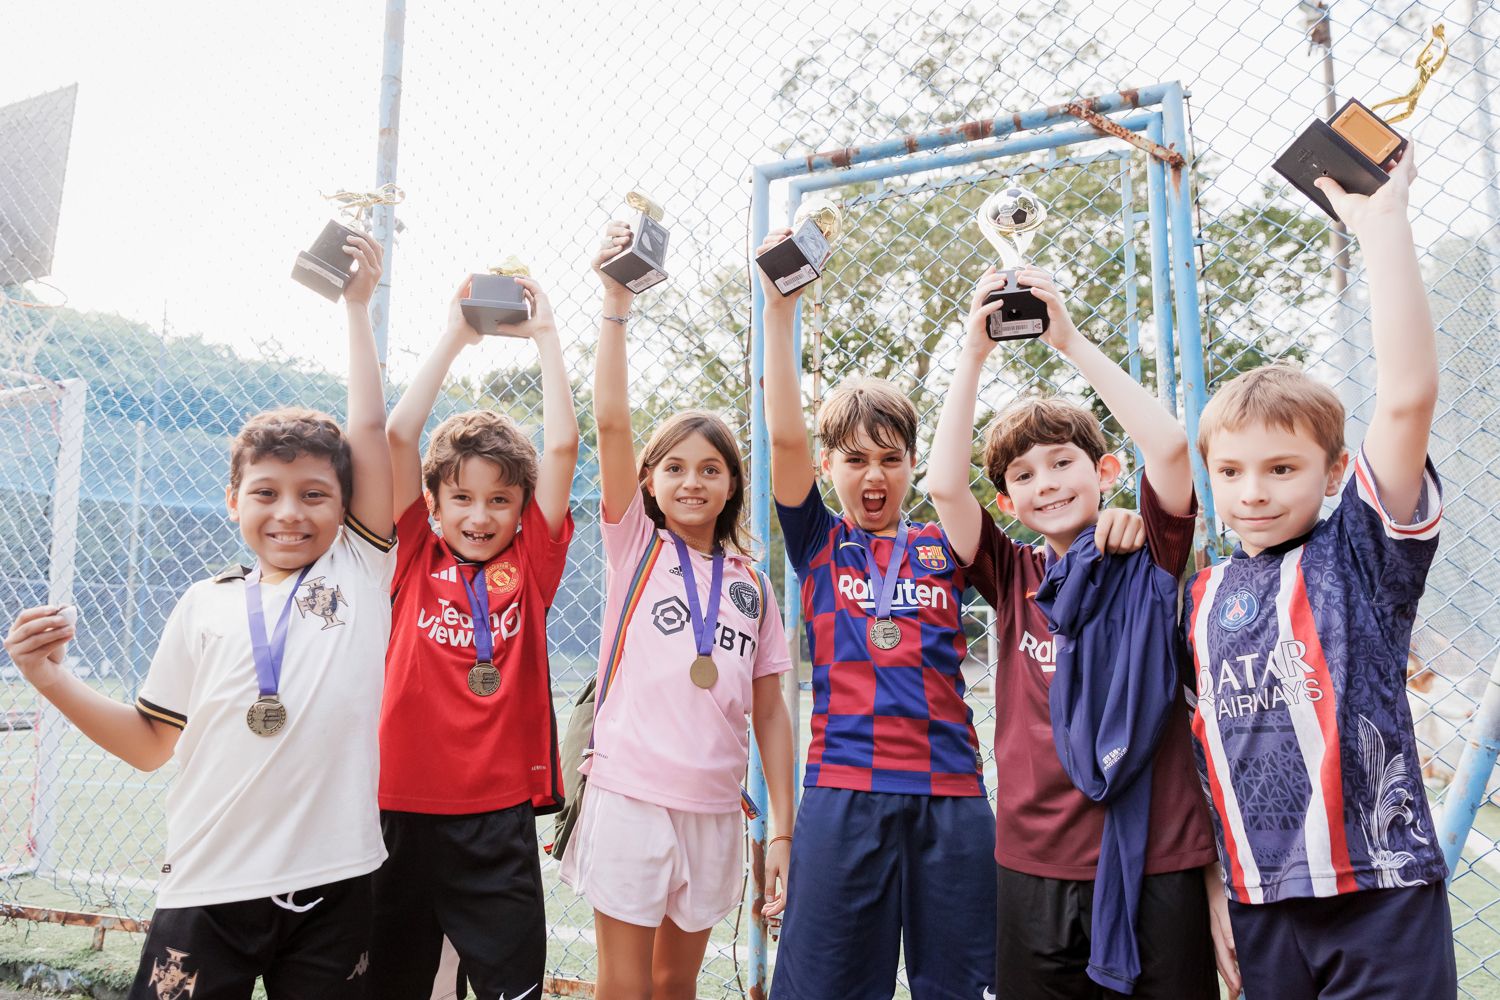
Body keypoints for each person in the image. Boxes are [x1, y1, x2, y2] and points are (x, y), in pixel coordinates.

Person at [4, 234, 395, 998]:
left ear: (347, 510)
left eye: (314, 494)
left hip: (338, 881)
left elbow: (372, 434)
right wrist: (46, 677)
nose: (290, 512)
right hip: (208, 886)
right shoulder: (204, 603)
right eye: (266, 493)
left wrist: (358, 309)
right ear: (232, 502)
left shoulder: (361, 568)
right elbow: (152, 745)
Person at [1183, 146, 1455, 998]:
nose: (1254, 492)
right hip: (1262, 902)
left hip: (1380, 892)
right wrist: (1217, 887)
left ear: (1336, 472)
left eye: (1282, 469)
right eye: (1230, 473)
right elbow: (1199, 759)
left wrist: (1383, 231)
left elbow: (1408, 394)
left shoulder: (1360, 555)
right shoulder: (1200, 596)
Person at [929, 266, 1226, 998]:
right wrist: (973, 354)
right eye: (1025, 476)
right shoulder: (1011, 576)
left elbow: (1170, 449)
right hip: (1035, 858)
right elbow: (942, 485)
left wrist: (1069, 340)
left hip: (1154, 853)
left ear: (1105, 469)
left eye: (1063, 463)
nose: (1049, 483)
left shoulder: (1148, 551)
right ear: (1007, 500)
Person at [756, 227, 997, 1000]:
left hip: (951, 795)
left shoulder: (944, 543)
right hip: (842, 790)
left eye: (891, 458)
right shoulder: (820, 543)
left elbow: (956, 482)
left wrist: (974, 348)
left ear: (911, 466)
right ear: (829, 468)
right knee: (825, 986)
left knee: (962, 985)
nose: (874, 474)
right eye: (855, 458)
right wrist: (779, 309)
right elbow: (786, 432)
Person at [563, 219, 796, 1000]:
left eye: (709, 468)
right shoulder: (635, 546)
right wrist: (615, 305)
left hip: (713, 804)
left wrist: (782, 824)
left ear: (732, 483)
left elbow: (770, 710)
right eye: (673, 467)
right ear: (652, 483)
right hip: (629, 789)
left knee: (675, 988)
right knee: (625, 988)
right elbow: (611, 424)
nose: (691, 480)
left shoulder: (751, 582)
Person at [371, 273, 578, 1000]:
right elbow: (398, 434)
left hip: (495, 820)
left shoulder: (531, 564)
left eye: (499, 500)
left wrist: (548, 336)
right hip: (398, 810)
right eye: (461, 497)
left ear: (523, 511)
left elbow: (562, 448)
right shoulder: (410, 557)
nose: (480, 515)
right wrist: (458, 336)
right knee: (394, 981)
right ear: (432, 503)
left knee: (510, 986)